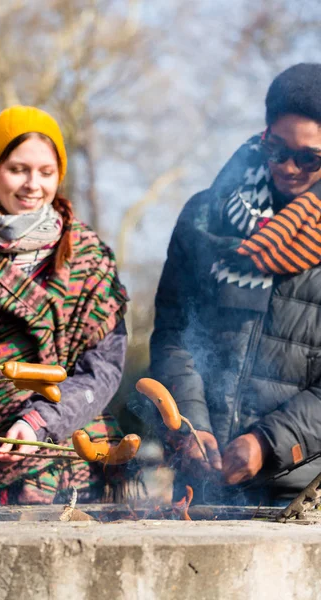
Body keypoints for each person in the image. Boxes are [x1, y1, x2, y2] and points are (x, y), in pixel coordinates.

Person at [0, 105, 134, 505]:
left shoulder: (89, 258)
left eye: (46, 172)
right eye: (18, 169)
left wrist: (41, 420)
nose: (33, 184)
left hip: (73, 470)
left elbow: (103, 368)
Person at [150, 63, 321, 505]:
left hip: (302, 492)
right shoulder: (203, 215)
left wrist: (267, 442)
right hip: (202, 480)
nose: (289, 168)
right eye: (277, 149)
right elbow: (173, 332)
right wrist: (190, 424)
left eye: (309, 158)